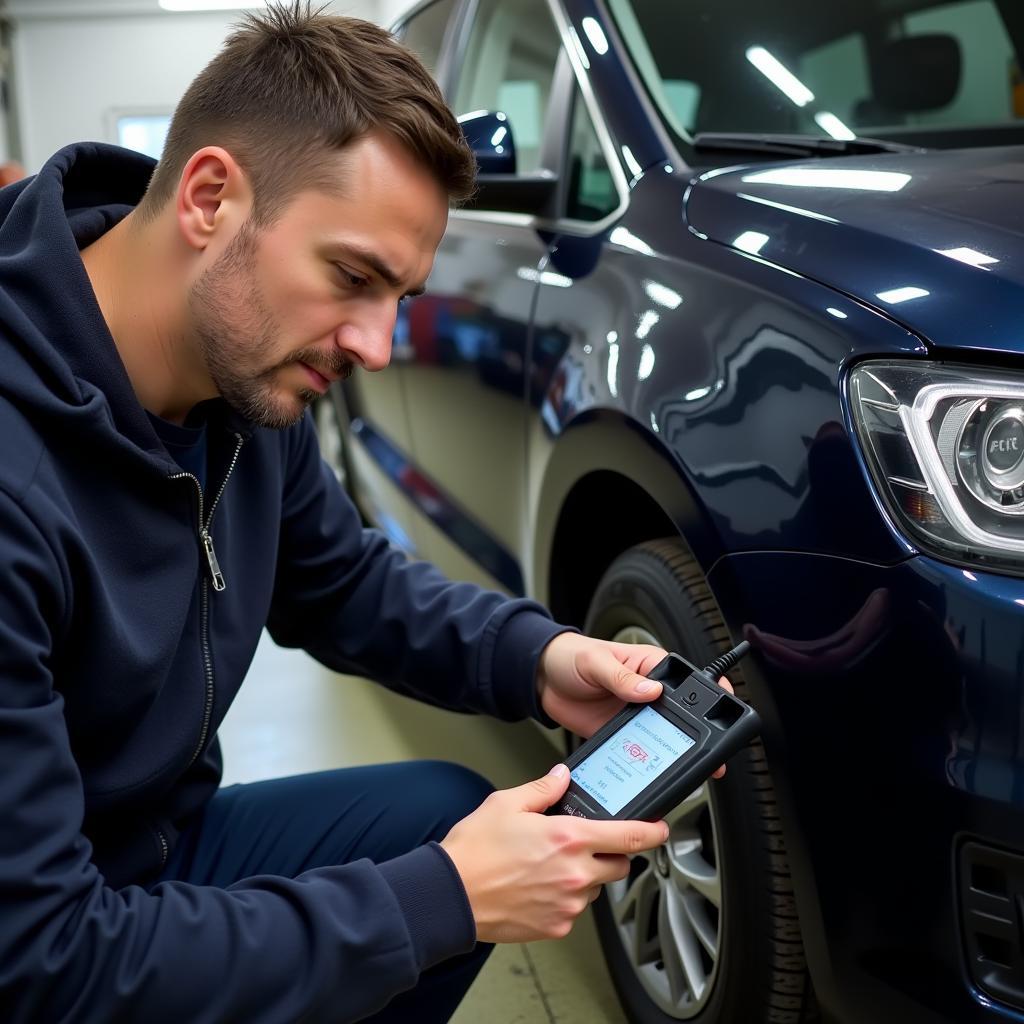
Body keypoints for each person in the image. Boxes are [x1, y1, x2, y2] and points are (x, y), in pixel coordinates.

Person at [0, 5, 730, 1022]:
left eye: (400, 295)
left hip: (155, 840)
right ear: (210, 198)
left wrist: (539, 658)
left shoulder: (241, 371)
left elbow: (342, 580)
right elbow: (43, 962)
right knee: (439, 889)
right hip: (49, 935)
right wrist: (444, 899)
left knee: (436, 816)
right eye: (352, 277)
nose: (377, 346)